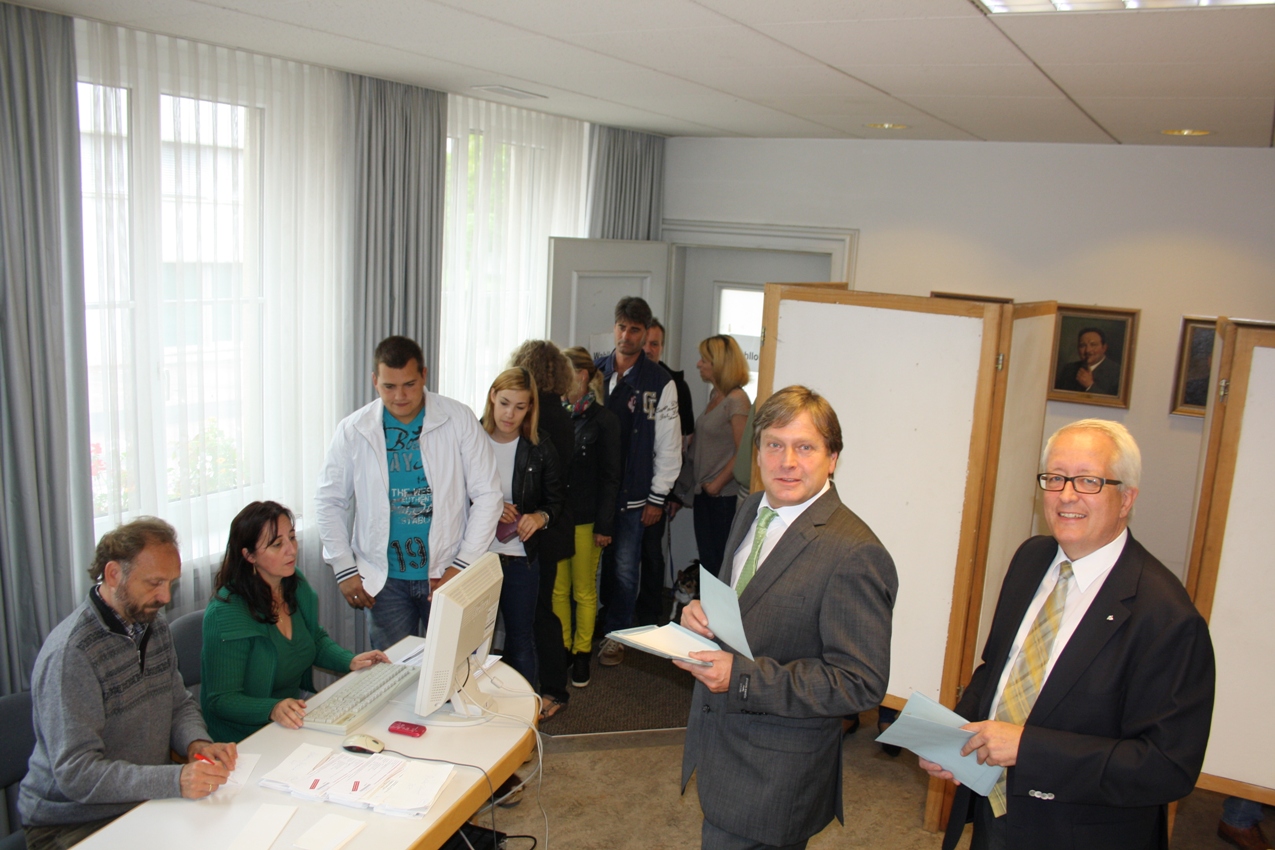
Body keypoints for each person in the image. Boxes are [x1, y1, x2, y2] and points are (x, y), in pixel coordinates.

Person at [923, 419, 1215, 850]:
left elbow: (1167, 767)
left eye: (1089, 481)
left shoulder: (1166, 617)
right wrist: (960, 737)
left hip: (1079, 832)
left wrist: (1028, 750)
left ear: (1126, 498)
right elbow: (997, 669)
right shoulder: (1031, 558)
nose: (1067, 495)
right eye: (1055, 478)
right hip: (994, 814)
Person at [676, 386, 898, 850]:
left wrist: (740, 678)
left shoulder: (855, 553)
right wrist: (702, 613)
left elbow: (859, 683)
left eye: (805, 447)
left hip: (776, 776)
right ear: (757, 453)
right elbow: (746, 603)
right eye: (774, 444)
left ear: (832, 458)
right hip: (723, 749)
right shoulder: (752, 510)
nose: (787, 462)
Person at [20, 518, 238, 850]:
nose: (165, 596)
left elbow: (178, 703)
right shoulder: (72, 655)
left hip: (143, 801)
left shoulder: (153, 625)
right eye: (154, 583)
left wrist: (195, 743)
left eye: (170, 582)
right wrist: (174, 779)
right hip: (72, 823)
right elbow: (77, 774)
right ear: (113, 574)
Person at [315, 335, 502, 649]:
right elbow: (329, 500)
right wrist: (343, 567)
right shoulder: (353, 429)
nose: (400, 396)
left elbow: (488, 495)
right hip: (384, 580)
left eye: (409, 385)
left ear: (424, 375)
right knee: (394, 670)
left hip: (447, 570)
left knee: (457, 666)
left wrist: (462, 564)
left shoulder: (458, 419)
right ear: (375, 381)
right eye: (389, 386)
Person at [201, 501, 390, 742]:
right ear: (249, 555)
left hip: (292, 722)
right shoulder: (226, 614)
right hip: (243, 739)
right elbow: (221, 700)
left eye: (292, 538)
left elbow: (313, 640)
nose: (291, 550)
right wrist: (272, 708)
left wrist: (350, 660)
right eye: (277, 545)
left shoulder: (293, 583)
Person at [594, 297, 681, 666]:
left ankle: (617, 635)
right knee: (592, 569)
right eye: (621, 327)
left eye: (634, 330)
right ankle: (593, 628)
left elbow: (669, 445)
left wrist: (657, 497)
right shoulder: (595, 373)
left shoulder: (660, 383)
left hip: (634, 498)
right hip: (596, 495)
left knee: (626, 569)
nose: (626, 336)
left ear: (645, 334)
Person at [480, 367, 566, 703]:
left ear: (530, 407)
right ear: (492, 397)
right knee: (472, 643)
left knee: (520, 639)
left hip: (520, 558)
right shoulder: (471, 439)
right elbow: (450, 495)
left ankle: (523, 714)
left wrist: (540, 517)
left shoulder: (540, 446)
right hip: (476, 558)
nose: (509, 414)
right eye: (504, 403)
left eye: (519, 407)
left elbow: (556, 502)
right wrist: (489, 504)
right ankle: (472, 709)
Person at [508, 341, 576, 719]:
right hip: (549, 527)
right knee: (536, 612)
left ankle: (552, 688)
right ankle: (541, 684)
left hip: (539, 527)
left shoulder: (539, 417)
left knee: (537, 614)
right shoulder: (561, 413)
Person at [555, 347, 622, 689]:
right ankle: (563, 647)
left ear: (581, 376)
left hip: (587, 521)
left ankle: (582, 652)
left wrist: (604, 525)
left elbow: (612, 477)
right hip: (557, 519)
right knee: (557, 590)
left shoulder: (605, 421)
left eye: (563, 372)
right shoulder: (556, 415)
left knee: (583, 590)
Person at [636, 318, 695, 627]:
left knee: (652, 553)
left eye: (655, 344)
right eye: (645, 342)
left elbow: (684, 444)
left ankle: (650, 614)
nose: (649, 349)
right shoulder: (624, 379)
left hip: (659, 491)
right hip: (627, 490)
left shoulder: (675, 385)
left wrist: (672, 494)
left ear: (662, 347)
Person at [676, 334, 751, 577]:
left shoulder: (737, 400)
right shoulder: (716, 396)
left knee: (720, 565)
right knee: (708, 563)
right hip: (705, 495)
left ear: (719, 364)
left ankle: (720, 605)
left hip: (722, 498)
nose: (699, 364)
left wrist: (717, 485)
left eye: (704, 359)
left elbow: (743, 452)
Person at [1055, 327, 1120, 395]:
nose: (1087, 350)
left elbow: (1113, 400)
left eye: (1093, 345)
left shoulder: (1117, 372)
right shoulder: (1069, 369)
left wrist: (1090, 386)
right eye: (1083, 346)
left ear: (1104, 348)